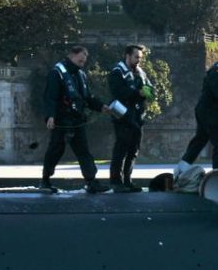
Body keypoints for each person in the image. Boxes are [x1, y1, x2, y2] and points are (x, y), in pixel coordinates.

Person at [39, 44, 106, 194]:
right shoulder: (57, 73)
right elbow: (50, 97)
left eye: (85, 59)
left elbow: (87, 97)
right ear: (72, 55)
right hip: (61, 120)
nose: (84, 61)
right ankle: (45, 180)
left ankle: (91, 182)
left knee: (84, 151)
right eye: (82, 58)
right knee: (55, 151)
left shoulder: (80, 74)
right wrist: (50, 116)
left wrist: (101, 107)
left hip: (77, 120)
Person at [106, 44, 151, 192]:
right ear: (128, 55)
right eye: (136, 57)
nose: (139, 60)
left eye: (140, 58)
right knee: (121, 148)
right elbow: (119, 92)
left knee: (133, 150)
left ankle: (127, 180)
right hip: (123, 115)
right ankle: (116, 181)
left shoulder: (140, 72)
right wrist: (138, 93)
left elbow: (150, 88)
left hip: (138, 116)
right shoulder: (117, 72)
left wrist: (149, 92)